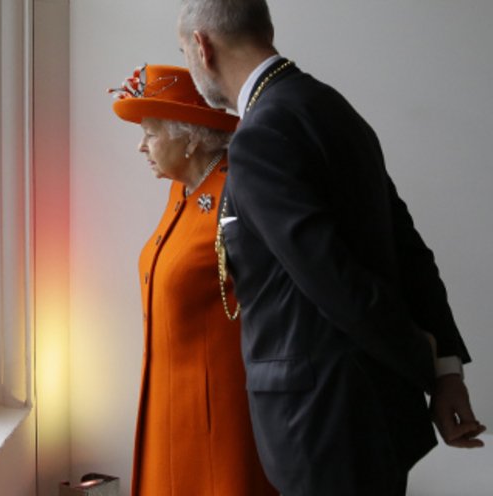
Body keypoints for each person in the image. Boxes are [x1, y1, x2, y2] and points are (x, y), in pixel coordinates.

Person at [175, 1, 486, 494]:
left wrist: (423, 356)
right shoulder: (332, 108)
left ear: (202, 46)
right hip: (372, 418)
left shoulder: (259, 136)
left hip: (317, 428)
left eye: (184, 54)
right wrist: (446, 369)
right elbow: (408, 247)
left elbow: (332, 278)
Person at [110, 64, 278, 496]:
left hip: (218, 420)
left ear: (190, 138)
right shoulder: (182, 189)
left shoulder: (239, 194)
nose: (141, 146)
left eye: (151, 133)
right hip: (166, 404)